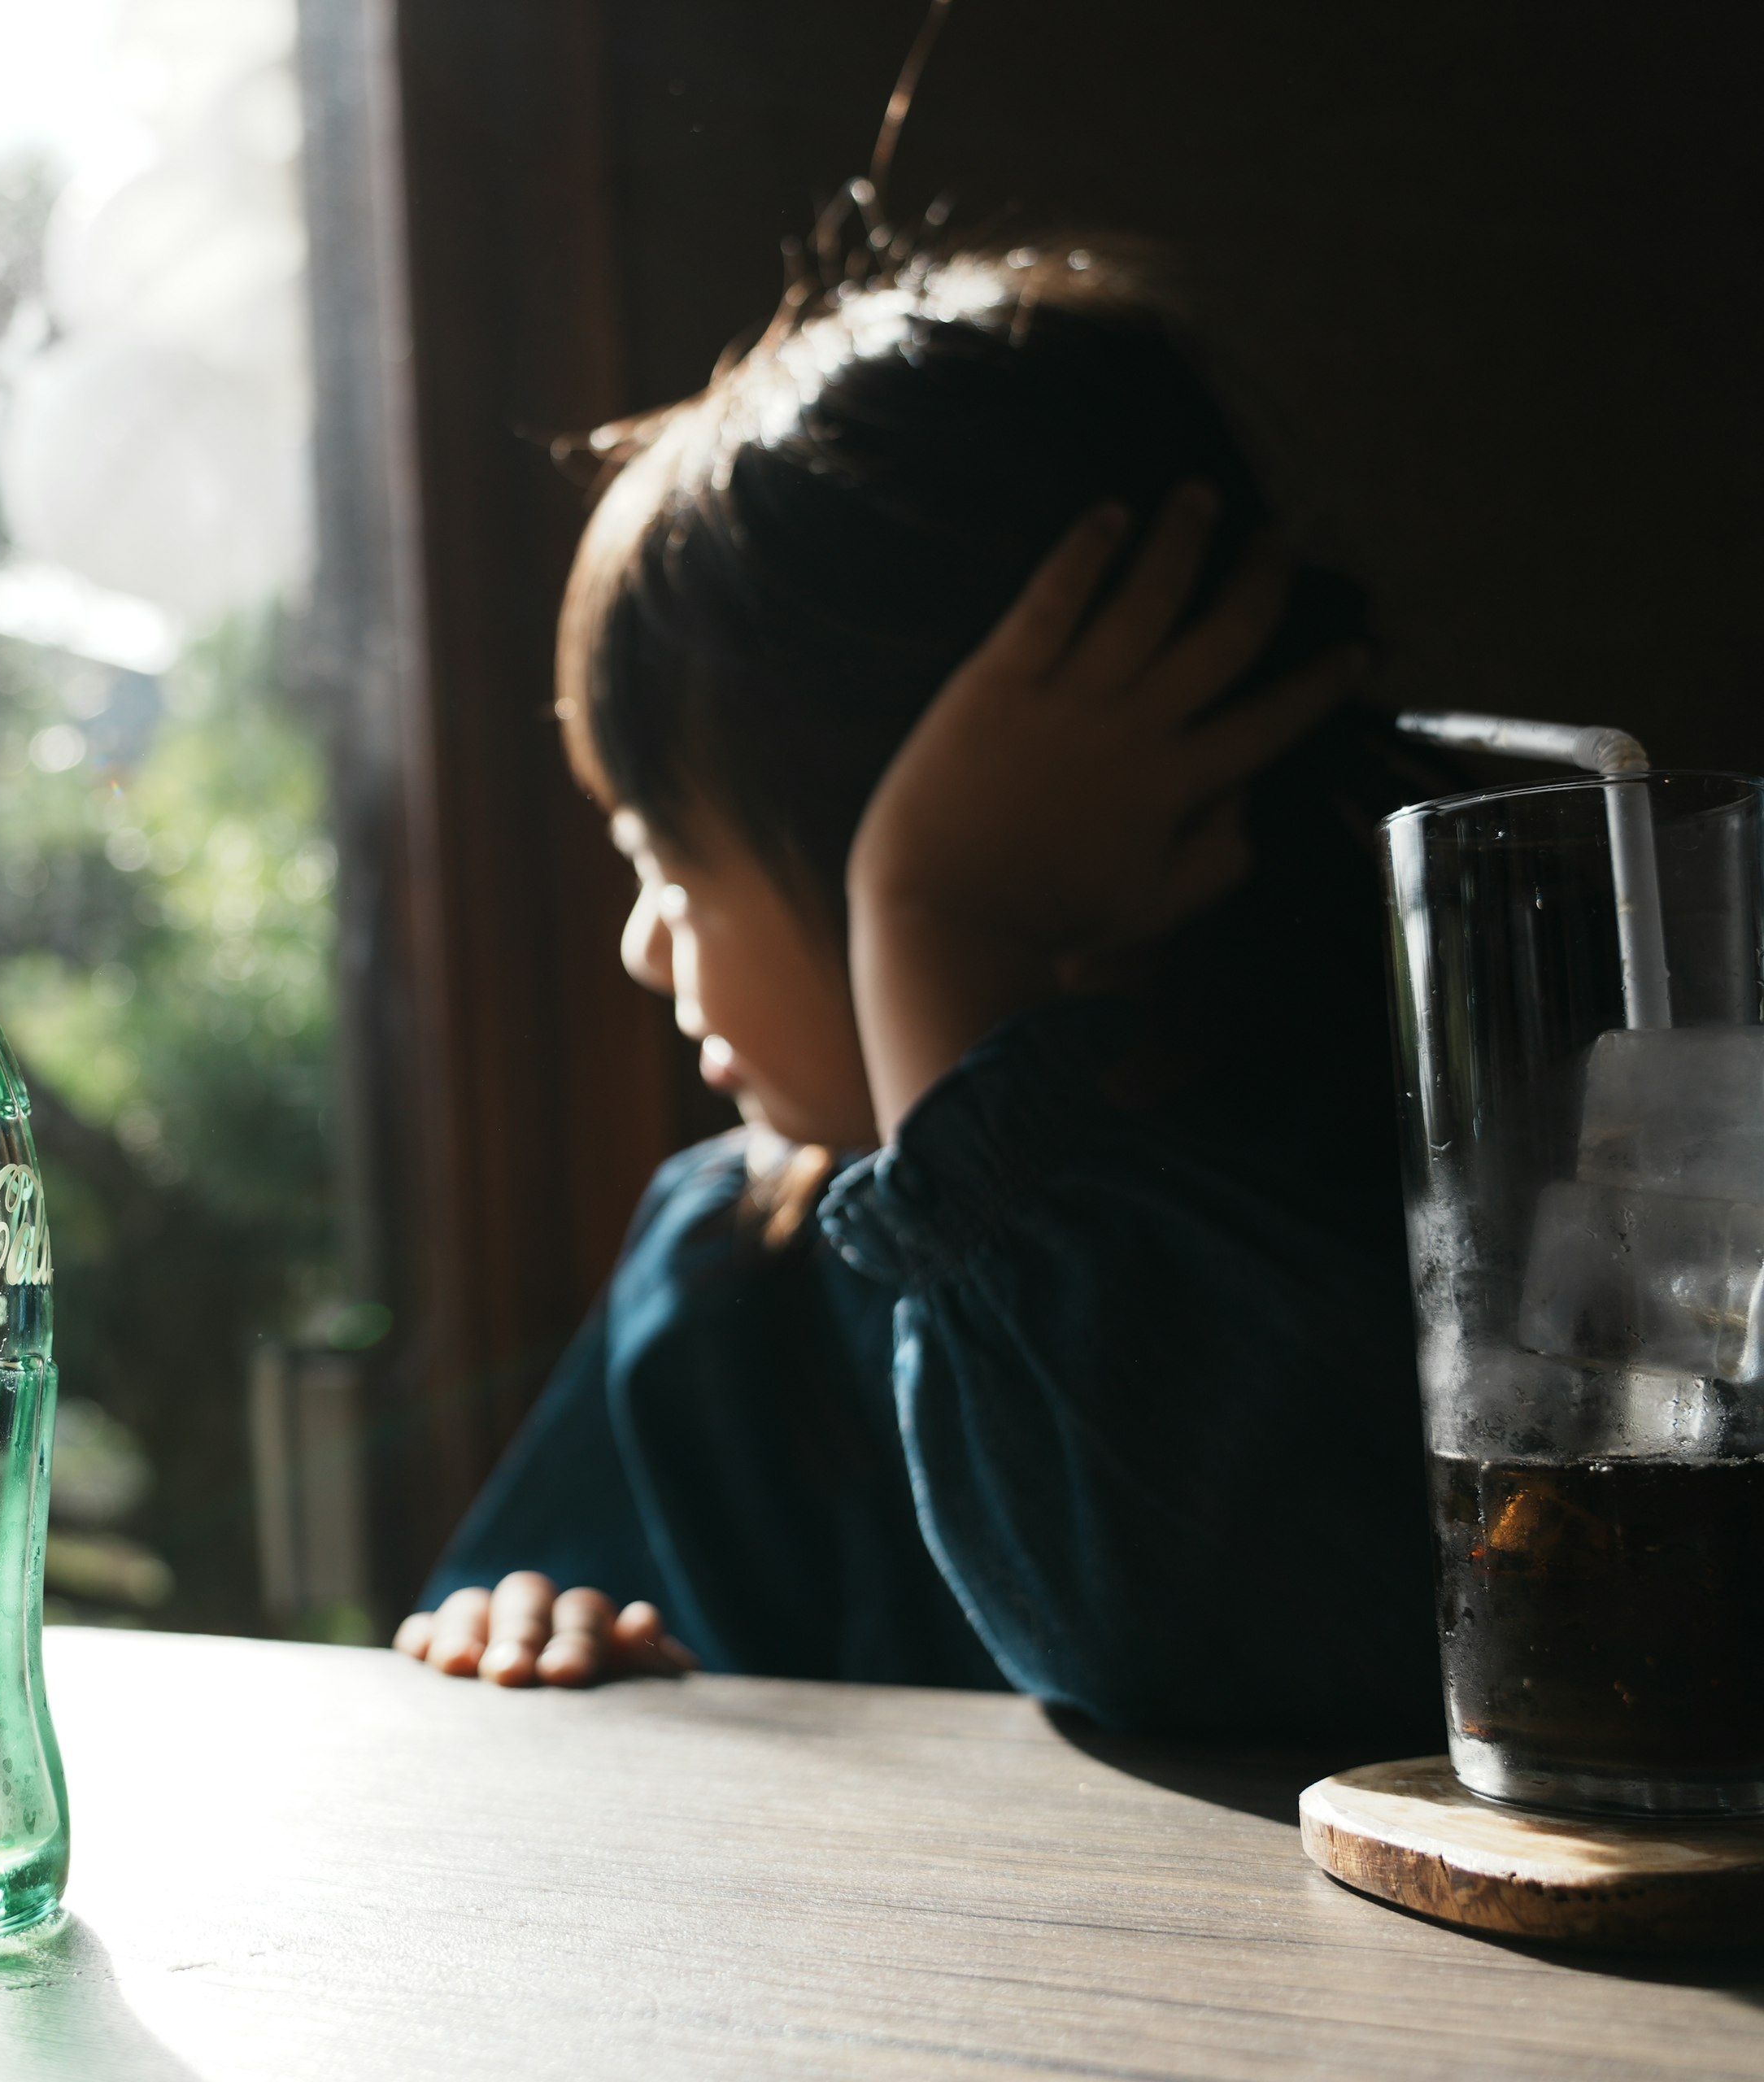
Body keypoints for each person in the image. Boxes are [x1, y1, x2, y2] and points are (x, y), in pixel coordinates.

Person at [391, 239, 1451, 1742]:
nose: (642, 946)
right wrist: (536, 1621)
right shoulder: (725, 1271)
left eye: (674, 867)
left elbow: (1149, 1659)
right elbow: (540, 1588)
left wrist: (940, 927)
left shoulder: (1405, 1233)